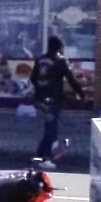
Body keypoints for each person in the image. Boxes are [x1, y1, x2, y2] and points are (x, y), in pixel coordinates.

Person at [31, 35, 86, 166]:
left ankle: (40, 155)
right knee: (52, 129)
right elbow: (71, 79)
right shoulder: (60, 61)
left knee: (49, 127)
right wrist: (81, 94)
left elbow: (33, 78)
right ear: (59, 47)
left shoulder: (40, 60)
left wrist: (40, 89)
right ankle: (46, 158)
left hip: (41, 100)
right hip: (54, 100)